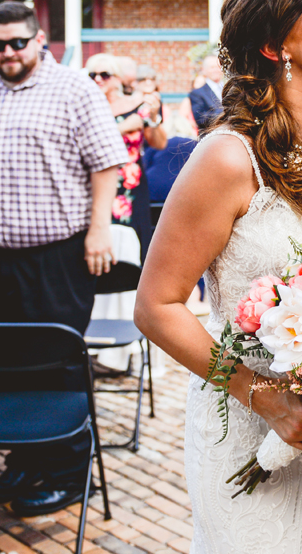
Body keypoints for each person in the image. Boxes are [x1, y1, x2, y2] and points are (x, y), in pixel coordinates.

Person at [135, 0, 302, 554]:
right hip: (246, 423)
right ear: (275, 45)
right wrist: (261, 396)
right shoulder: (226, 158)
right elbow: (156, 305)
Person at [0, 0, 126, 516]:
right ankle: (24, 458)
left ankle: (66, 472)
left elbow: (107, 162)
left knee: (53, 366)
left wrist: (99, 229)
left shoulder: (74, 88)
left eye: (19, 42)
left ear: (40, 39)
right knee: (4, 366)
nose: (8, 52)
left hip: (55, 256)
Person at [85, 52, 164, 372]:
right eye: (90, 75)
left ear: (118, 77)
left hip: (130, 191)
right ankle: (96, 345)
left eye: (103, 74)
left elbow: (158, 141)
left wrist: (153, 118)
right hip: (93, 191)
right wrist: (124, 126)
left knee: (130, 261)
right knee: (97, 263)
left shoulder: (138, 105)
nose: (97, 81)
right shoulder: (84, 107)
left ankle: (124, 349)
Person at [182, 55, 224, 134]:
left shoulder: (229, 89)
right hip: (211, 137)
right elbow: (200, 119)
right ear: (204, 70)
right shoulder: (197, 93)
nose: (216, 70)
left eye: (218, 67)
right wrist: (226, 112)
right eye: (212, 67)